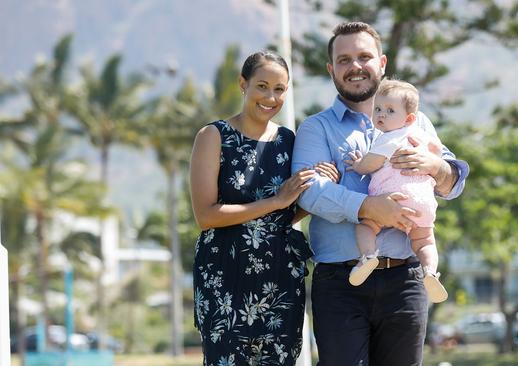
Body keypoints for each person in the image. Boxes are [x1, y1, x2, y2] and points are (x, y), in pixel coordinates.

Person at [291, 22, 470, 366]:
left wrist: (434, 166)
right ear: (331, 69)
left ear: (382, 63)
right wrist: (370, 207)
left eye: (364, 56)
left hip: (406, 279)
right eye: (344, 60)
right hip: (341, 283)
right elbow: (310, 193)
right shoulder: (317, 128)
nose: (355, 66)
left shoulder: (416, 123)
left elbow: (453, 184)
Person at [190, 51, 339, 366]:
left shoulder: (289, 140)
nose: (271, 97)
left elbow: (287, 211)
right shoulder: (213, 136)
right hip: (223, 279)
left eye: (280, 89)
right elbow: (206, 216)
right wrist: (276, 201)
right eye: (262, 86)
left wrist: (317, 190)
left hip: (281, 279)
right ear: (243, 84)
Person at [344, 79, 448, 304]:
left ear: (408, 118)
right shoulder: (420, 133)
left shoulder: (390, 137)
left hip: (394, 197)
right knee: (425, 241)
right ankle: (430, 271)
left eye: (390, 111)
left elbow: (371, 163)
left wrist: (357, 165)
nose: (381, 114)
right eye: (378, 109)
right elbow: (437, 149)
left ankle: (368, 257)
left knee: (366, 226)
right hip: (423, 201)